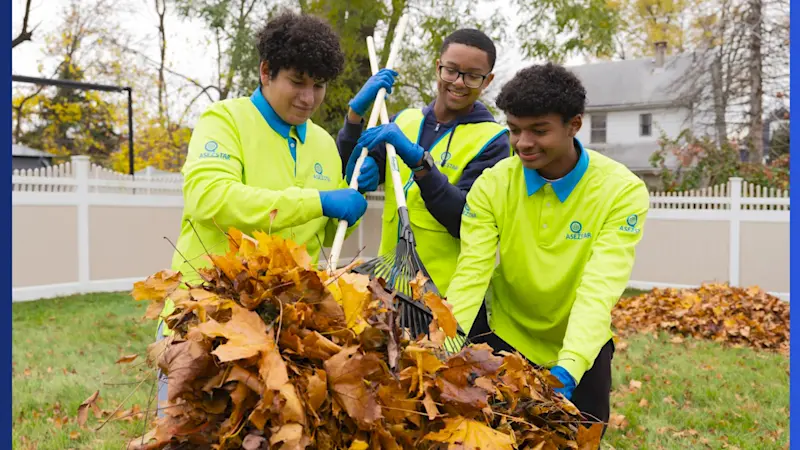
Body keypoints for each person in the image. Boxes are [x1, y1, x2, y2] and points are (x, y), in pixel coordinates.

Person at [154, 11, 367, 413]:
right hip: (206, 317)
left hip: (283, 329)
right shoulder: (224, 121)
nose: (308, 98)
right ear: (266, 71)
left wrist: (347, 203)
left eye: (319, 85)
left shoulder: (323, 144)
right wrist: (319, 201)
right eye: (298, 82)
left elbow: (315, 242)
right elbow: (211, 198)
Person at [446, 62, 650, 436]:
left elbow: (599, 288)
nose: (523, 143)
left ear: (574, 125)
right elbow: (472, 273)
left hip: (583, 348)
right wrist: (445, 343)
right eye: (514, 130)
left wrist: (569, 365)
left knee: (578, 441)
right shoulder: (493, 185)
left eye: (539, 130)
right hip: (509, 337)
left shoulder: (621, 191)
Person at [336, 28, 511, 296]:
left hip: (444, 296)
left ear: (487, 81)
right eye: (451, 70)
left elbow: (464, 220)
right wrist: (354, 118)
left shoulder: (493, 141)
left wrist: (421, 164)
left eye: (473, 76)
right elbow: (351, 171)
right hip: (388, 285)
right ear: (438, 67)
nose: (459, 82)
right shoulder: (403, 121)